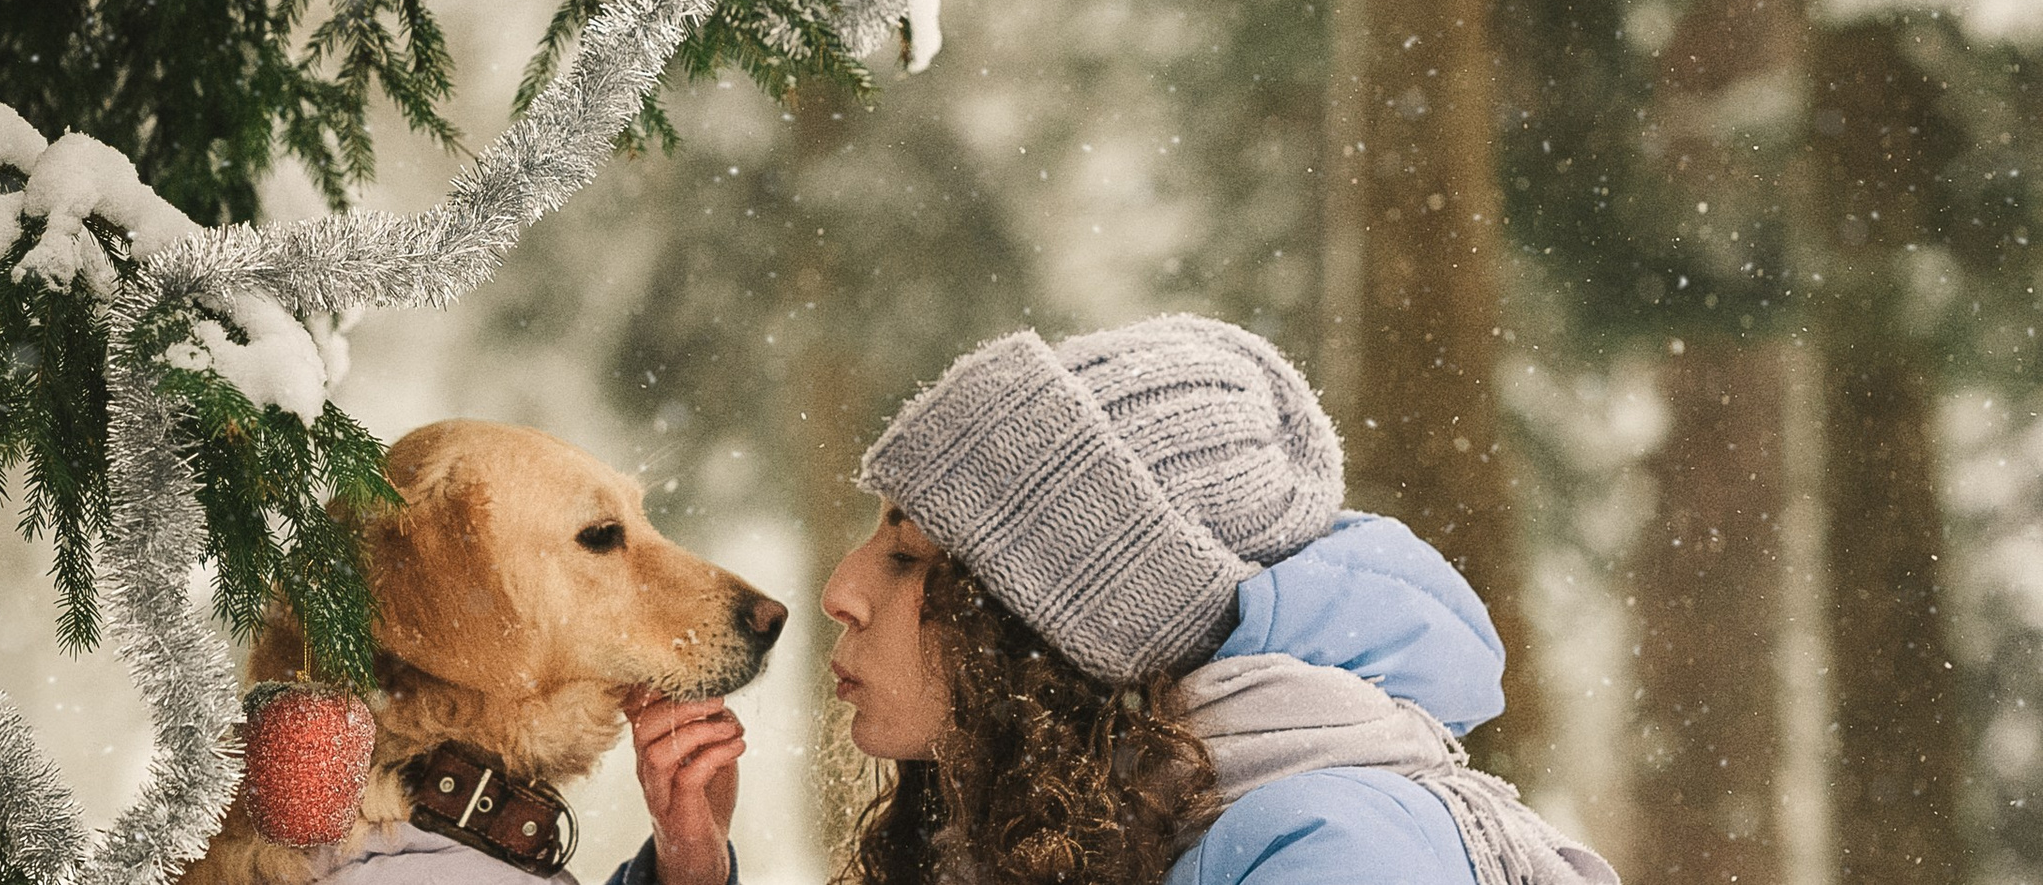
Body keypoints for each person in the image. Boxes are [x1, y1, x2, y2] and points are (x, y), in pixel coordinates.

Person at [620, 315, 1618, 885]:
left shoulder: (1337, 849)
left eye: (909, 555)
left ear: (1052, 621)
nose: (841, 590)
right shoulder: (1058, 839)